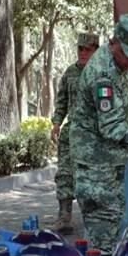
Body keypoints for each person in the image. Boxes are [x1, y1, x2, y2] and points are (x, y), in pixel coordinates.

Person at [68, 14, 128, 252]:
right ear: (114, 43)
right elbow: (111, 127)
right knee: (104, 232)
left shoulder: (120, 65)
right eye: (127, 54)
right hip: (96, 167)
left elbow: (123, 109)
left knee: (112, 225)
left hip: (110, 162)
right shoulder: (103, 74)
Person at [50, 32, 100, 234]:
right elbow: (62, 100)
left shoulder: (104, 74)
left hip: (95, 135)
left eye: (88, 49)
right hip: (72, 132)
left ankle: (95, 217)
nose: (83, 53)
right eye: (81, 49)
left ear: (97, 51)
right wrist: (56, 123)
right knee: (64, 174)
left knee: (92, 177)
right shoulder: (70, 73)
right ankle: (64, 216)